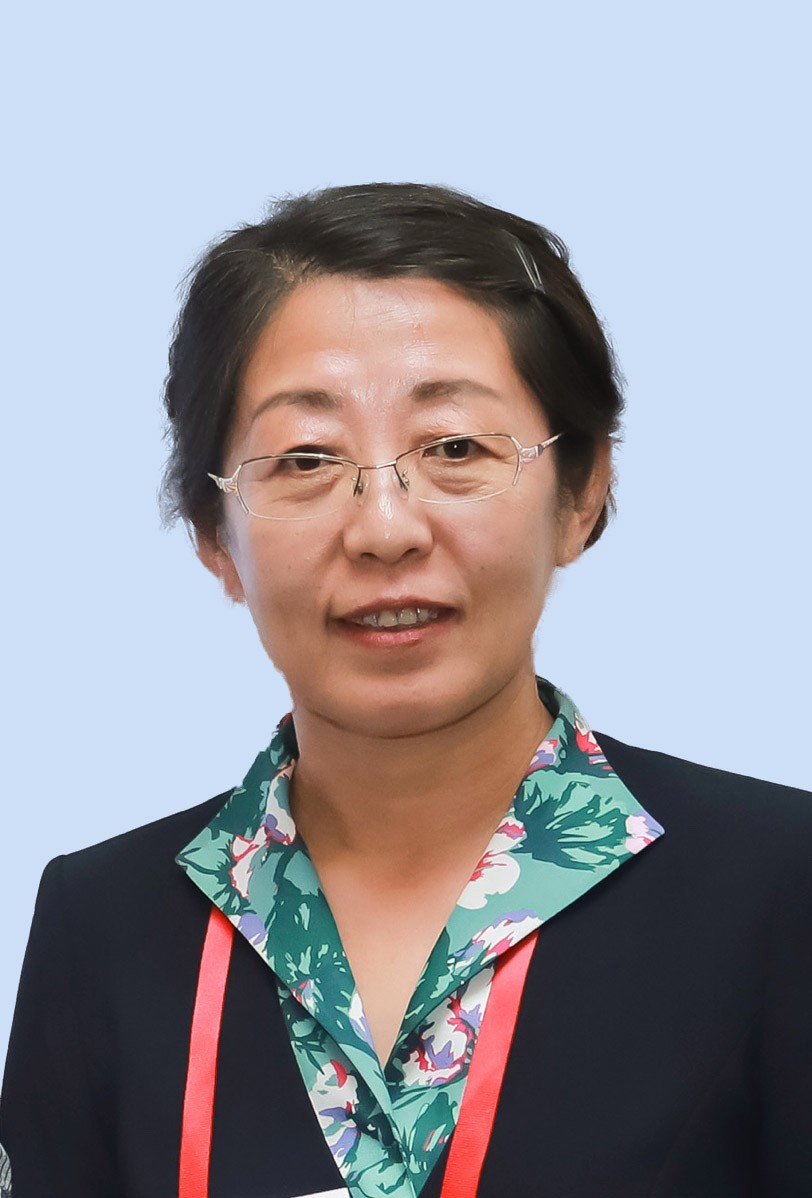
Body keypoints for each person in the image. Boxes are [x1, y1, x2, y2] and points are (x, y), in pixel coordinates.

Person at [1, 182, 810, 1198]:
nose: (384, 529)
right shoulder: (103, 926)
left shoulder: (780, 886)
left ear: (581, 491)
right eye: (304, 458)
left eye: (455, 449)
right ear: (215, 535)